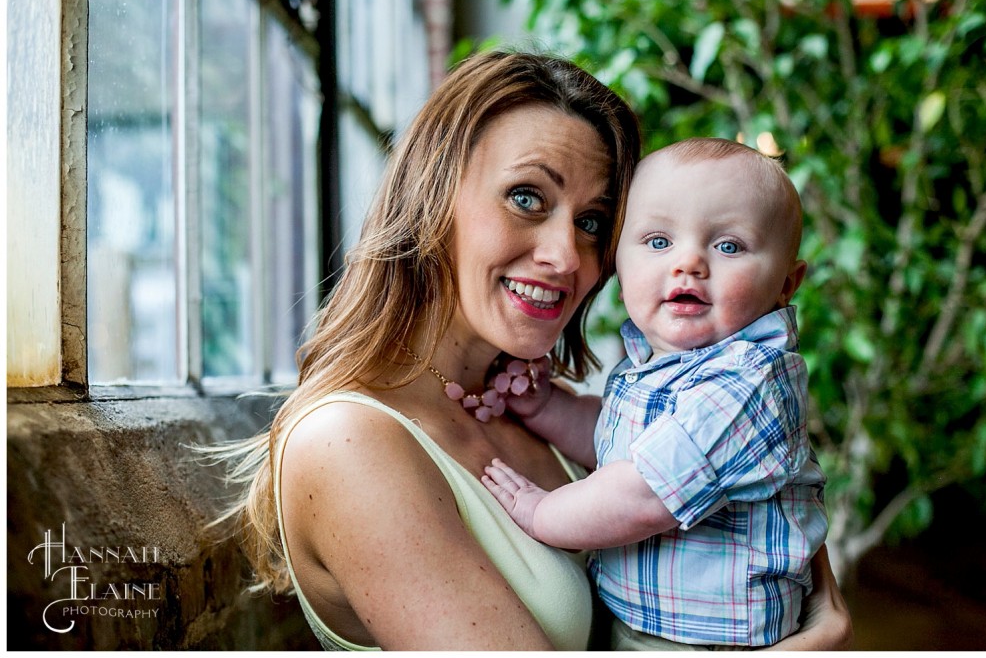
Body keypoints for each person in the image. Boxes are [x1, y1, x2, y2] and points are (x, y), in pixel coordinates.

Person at [206, 53, 852, 651]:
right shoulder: (349, 443)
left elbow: (749, 495)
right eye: (526, 198)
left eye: (592, 222)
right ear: (432, 199)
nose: (569, 256)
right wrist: (816, 638)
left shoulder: (527, 399)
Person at [482, 138, 828, 650]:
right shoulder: (662, 362)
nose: (688, 262)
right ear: (618, 267)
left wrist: (541, 513)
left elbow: (644, 492)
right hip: (650, 626)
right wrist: (549, 407)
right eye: (659, 242)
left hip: (708, 640)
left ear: (785, 284)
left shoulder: (747, 383)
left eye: (728, 246)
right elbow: (619, 445)